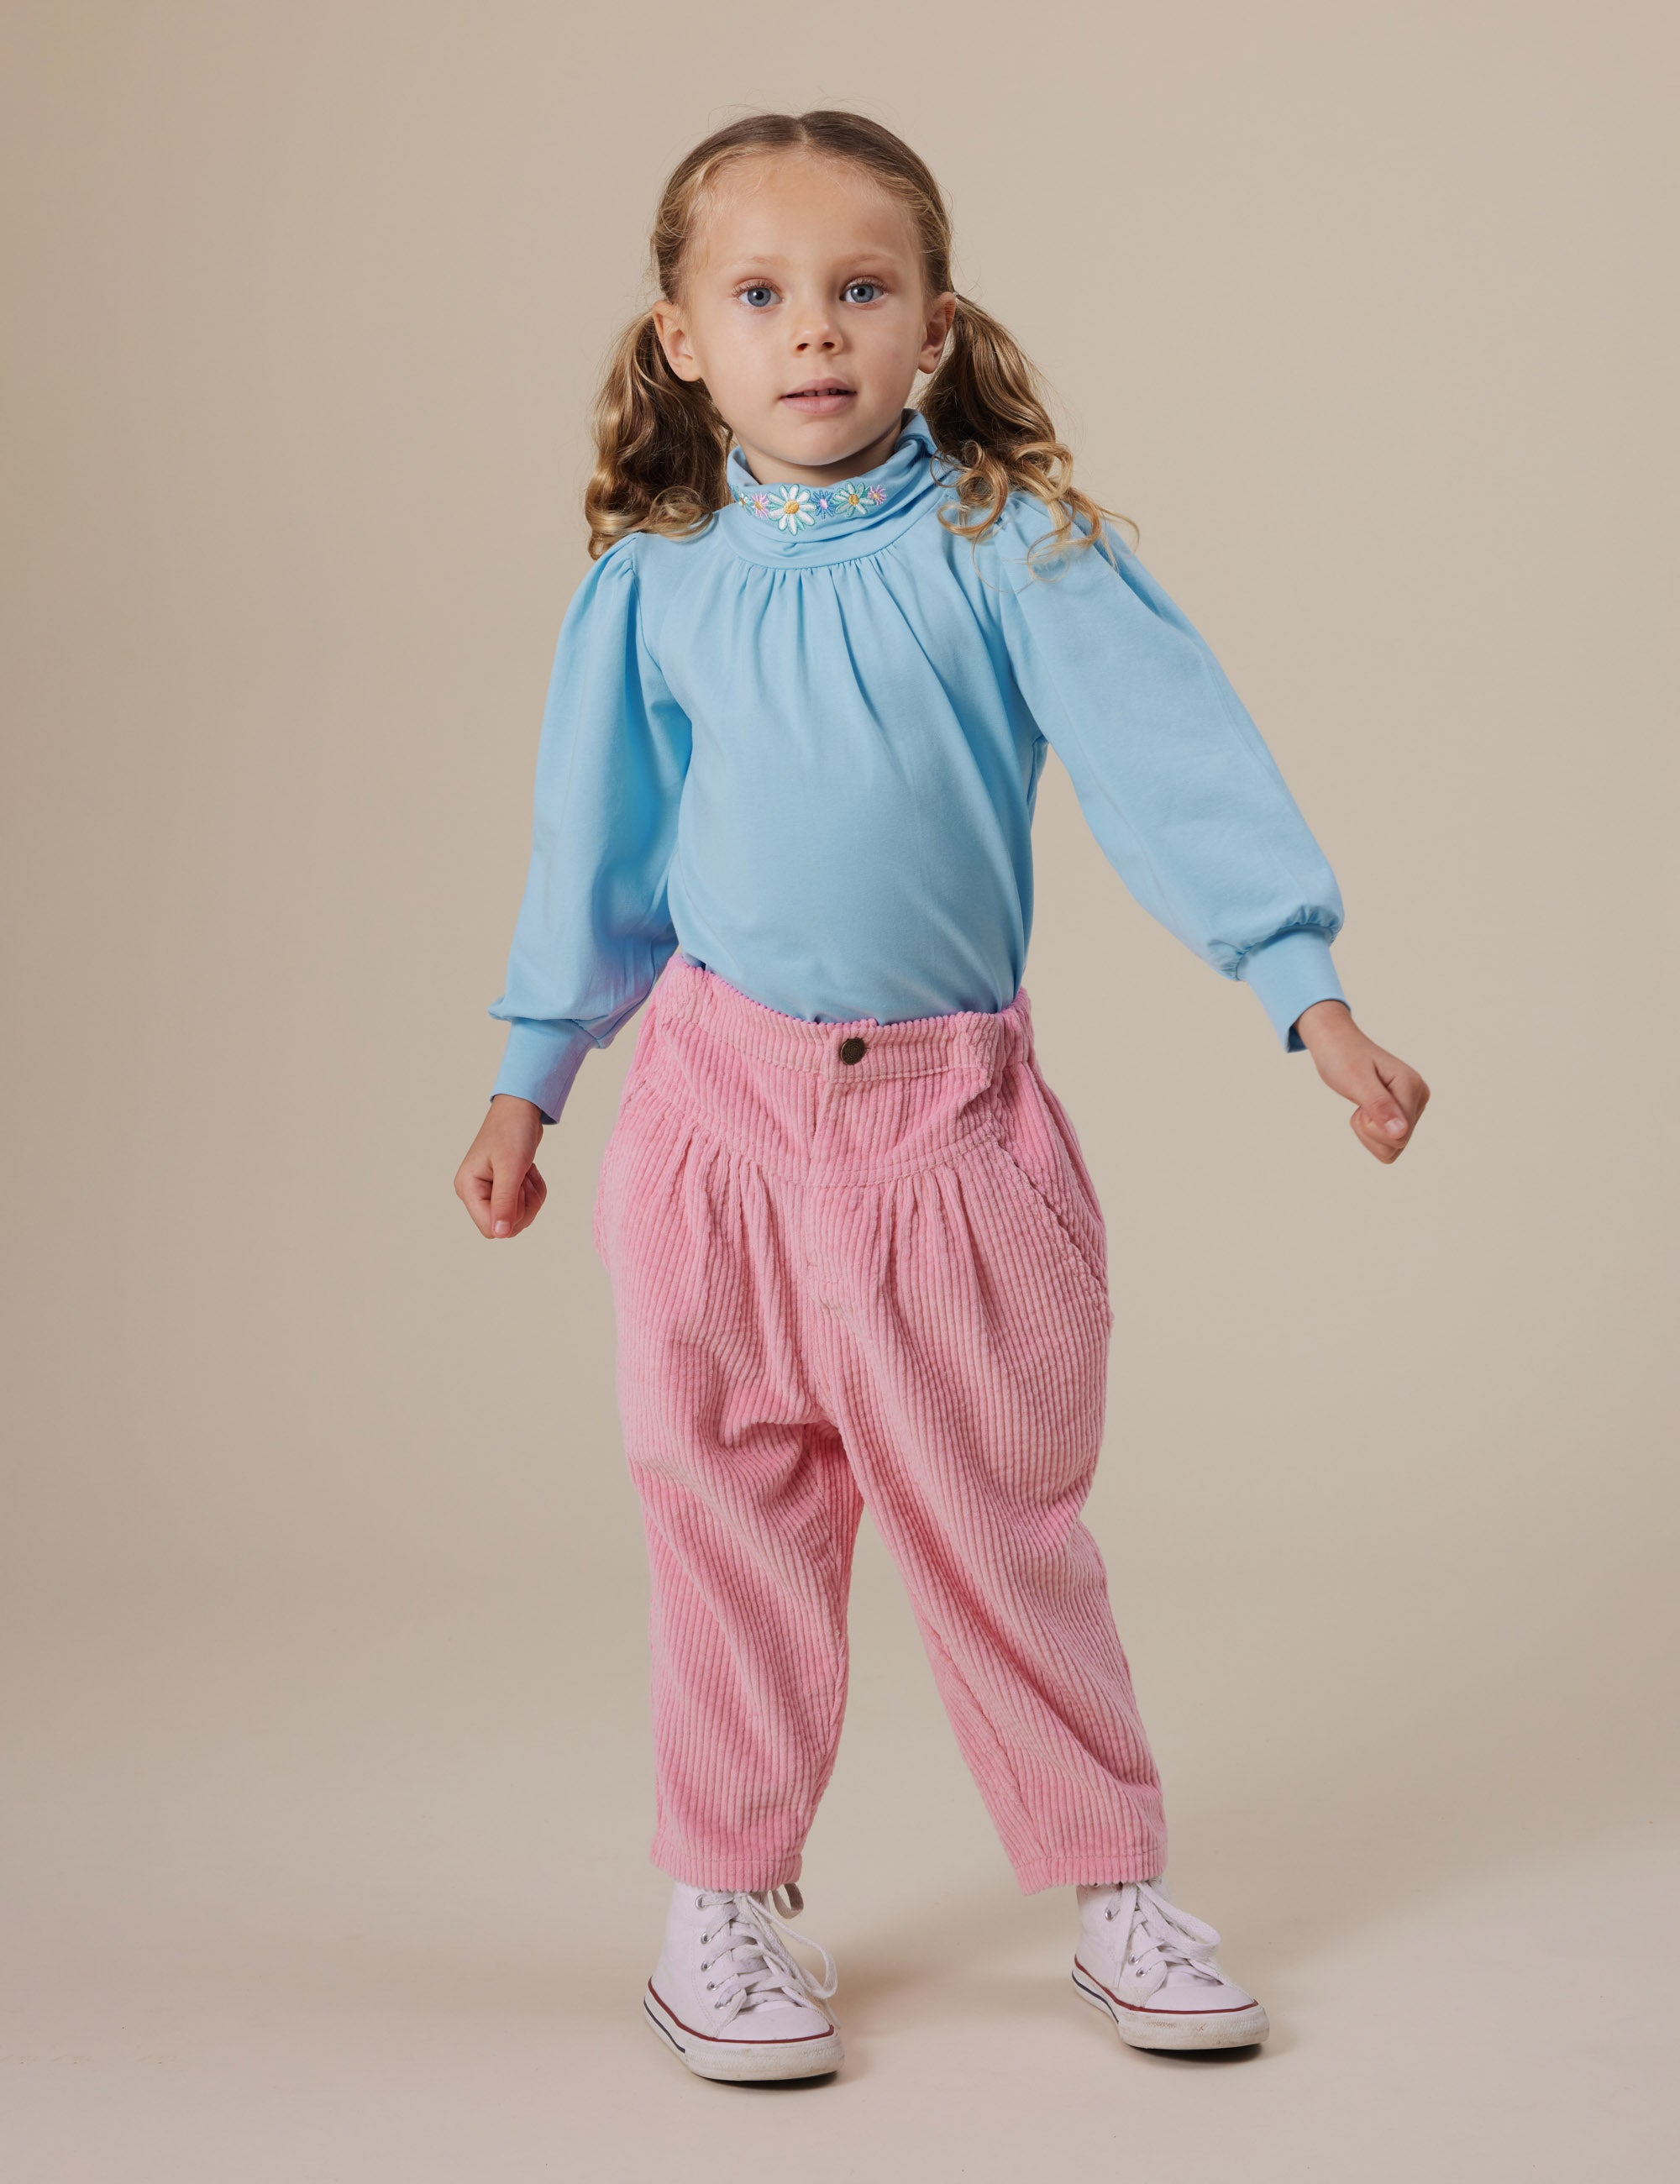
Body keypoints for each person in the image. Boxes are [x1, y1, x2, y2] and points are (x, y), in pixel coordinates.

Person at [454, 108, 1429, 2084]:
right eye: (760, 295)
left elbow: (1182, 776)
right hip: (714, 1128)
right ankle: (720, 1899)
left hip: (946, 1136)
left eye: (858, 290)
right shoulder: (653, 582)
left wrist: (1305, 999)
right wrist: (530, 1081)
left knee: (1000, 1521)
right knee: (720, 1513)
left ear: (932, 323)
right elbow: (597, 854)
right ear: (680, 342)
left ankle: (1113, 1886)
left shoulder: (1014, 548)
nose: (811, 332)